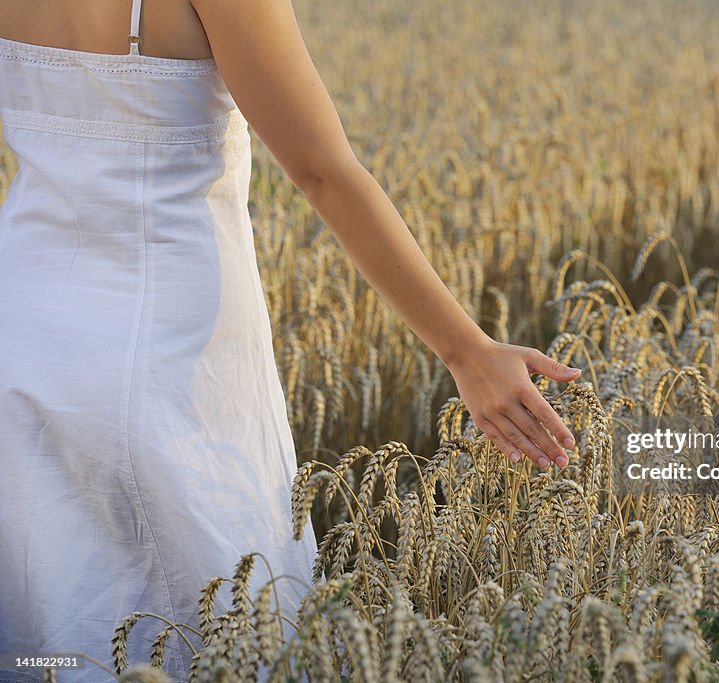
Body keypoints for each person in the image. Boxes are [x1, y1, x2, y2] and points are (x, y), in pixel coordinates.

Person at [0, 0, 581, 680]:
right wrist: (466, 349)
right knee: (227, 625)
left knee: (57, 619)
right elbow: (323, 171)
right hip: (176, 360)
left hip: (24, 329)